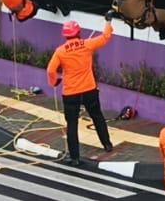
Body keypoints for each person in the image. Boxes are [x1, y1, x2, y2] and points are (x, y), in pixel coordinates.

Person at [46, 14, 116, 164]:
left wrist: (54, 82)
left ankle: (75, 158)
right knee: (97, 116)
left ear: (65, 35)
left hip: (70, 93)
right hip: (89, 89)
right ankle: (107, 144)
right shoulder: (87, 44)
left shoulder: (60, 51)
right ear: (78, 33)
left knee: (72, 124)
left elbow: (51, 70)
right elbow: (105, 37)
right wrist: (108, 20)